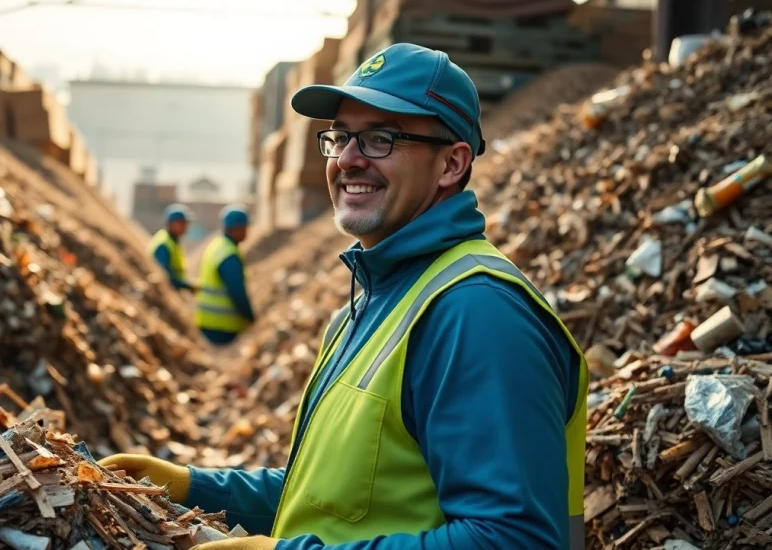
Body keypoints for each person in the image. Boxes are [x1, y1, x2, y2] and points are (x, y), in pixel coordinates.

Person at [102, 43, 587, 550]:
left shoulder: (477, 314)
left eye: (380, 138)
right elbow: (333, 498)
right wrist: (192, 486)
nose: (348, 160)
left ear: (451, 164)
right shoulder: (379, 299)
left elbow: (514, 539)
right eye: (340, 137)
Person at [193, 205, 256, 345]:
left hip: (207, 321)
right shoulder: (229, 254)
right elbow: (237, 292)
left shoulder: (217, 245)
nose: (247, 231)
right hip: (221, 327)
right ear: (238, 228)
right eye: (246, 227)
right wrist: (250, 317)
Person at [149, 204, 196, 293]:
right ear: (171, 223)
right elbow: (165, 276)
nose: (185, 226)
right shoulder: (163, 244)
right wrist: (188, 286)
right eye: (182, 223)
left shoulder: (173, 241)